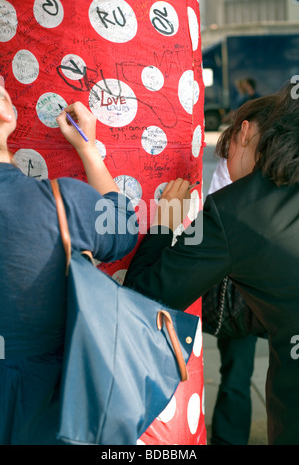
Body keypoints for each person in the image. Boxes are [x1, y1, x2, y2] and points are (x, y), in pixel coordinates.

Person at [124, 81, 299, 445]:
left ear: (245, 131)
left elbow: (145, 294)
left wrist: (163, 224)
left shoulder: (233, 211)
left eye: (227, 147)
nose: (226, 161)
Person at [0, 88, 138, 445]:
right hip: (51, 411)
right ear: (6, 114)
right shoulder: (62, 202)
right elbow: (122, 230)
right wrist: (88, 148)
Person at [203, 158, 259, 445]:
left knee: (236, 374)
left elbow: (215, 217)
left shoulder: (238, 157)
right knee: (237, 374)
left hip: (239, 289)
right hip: (245, 293)